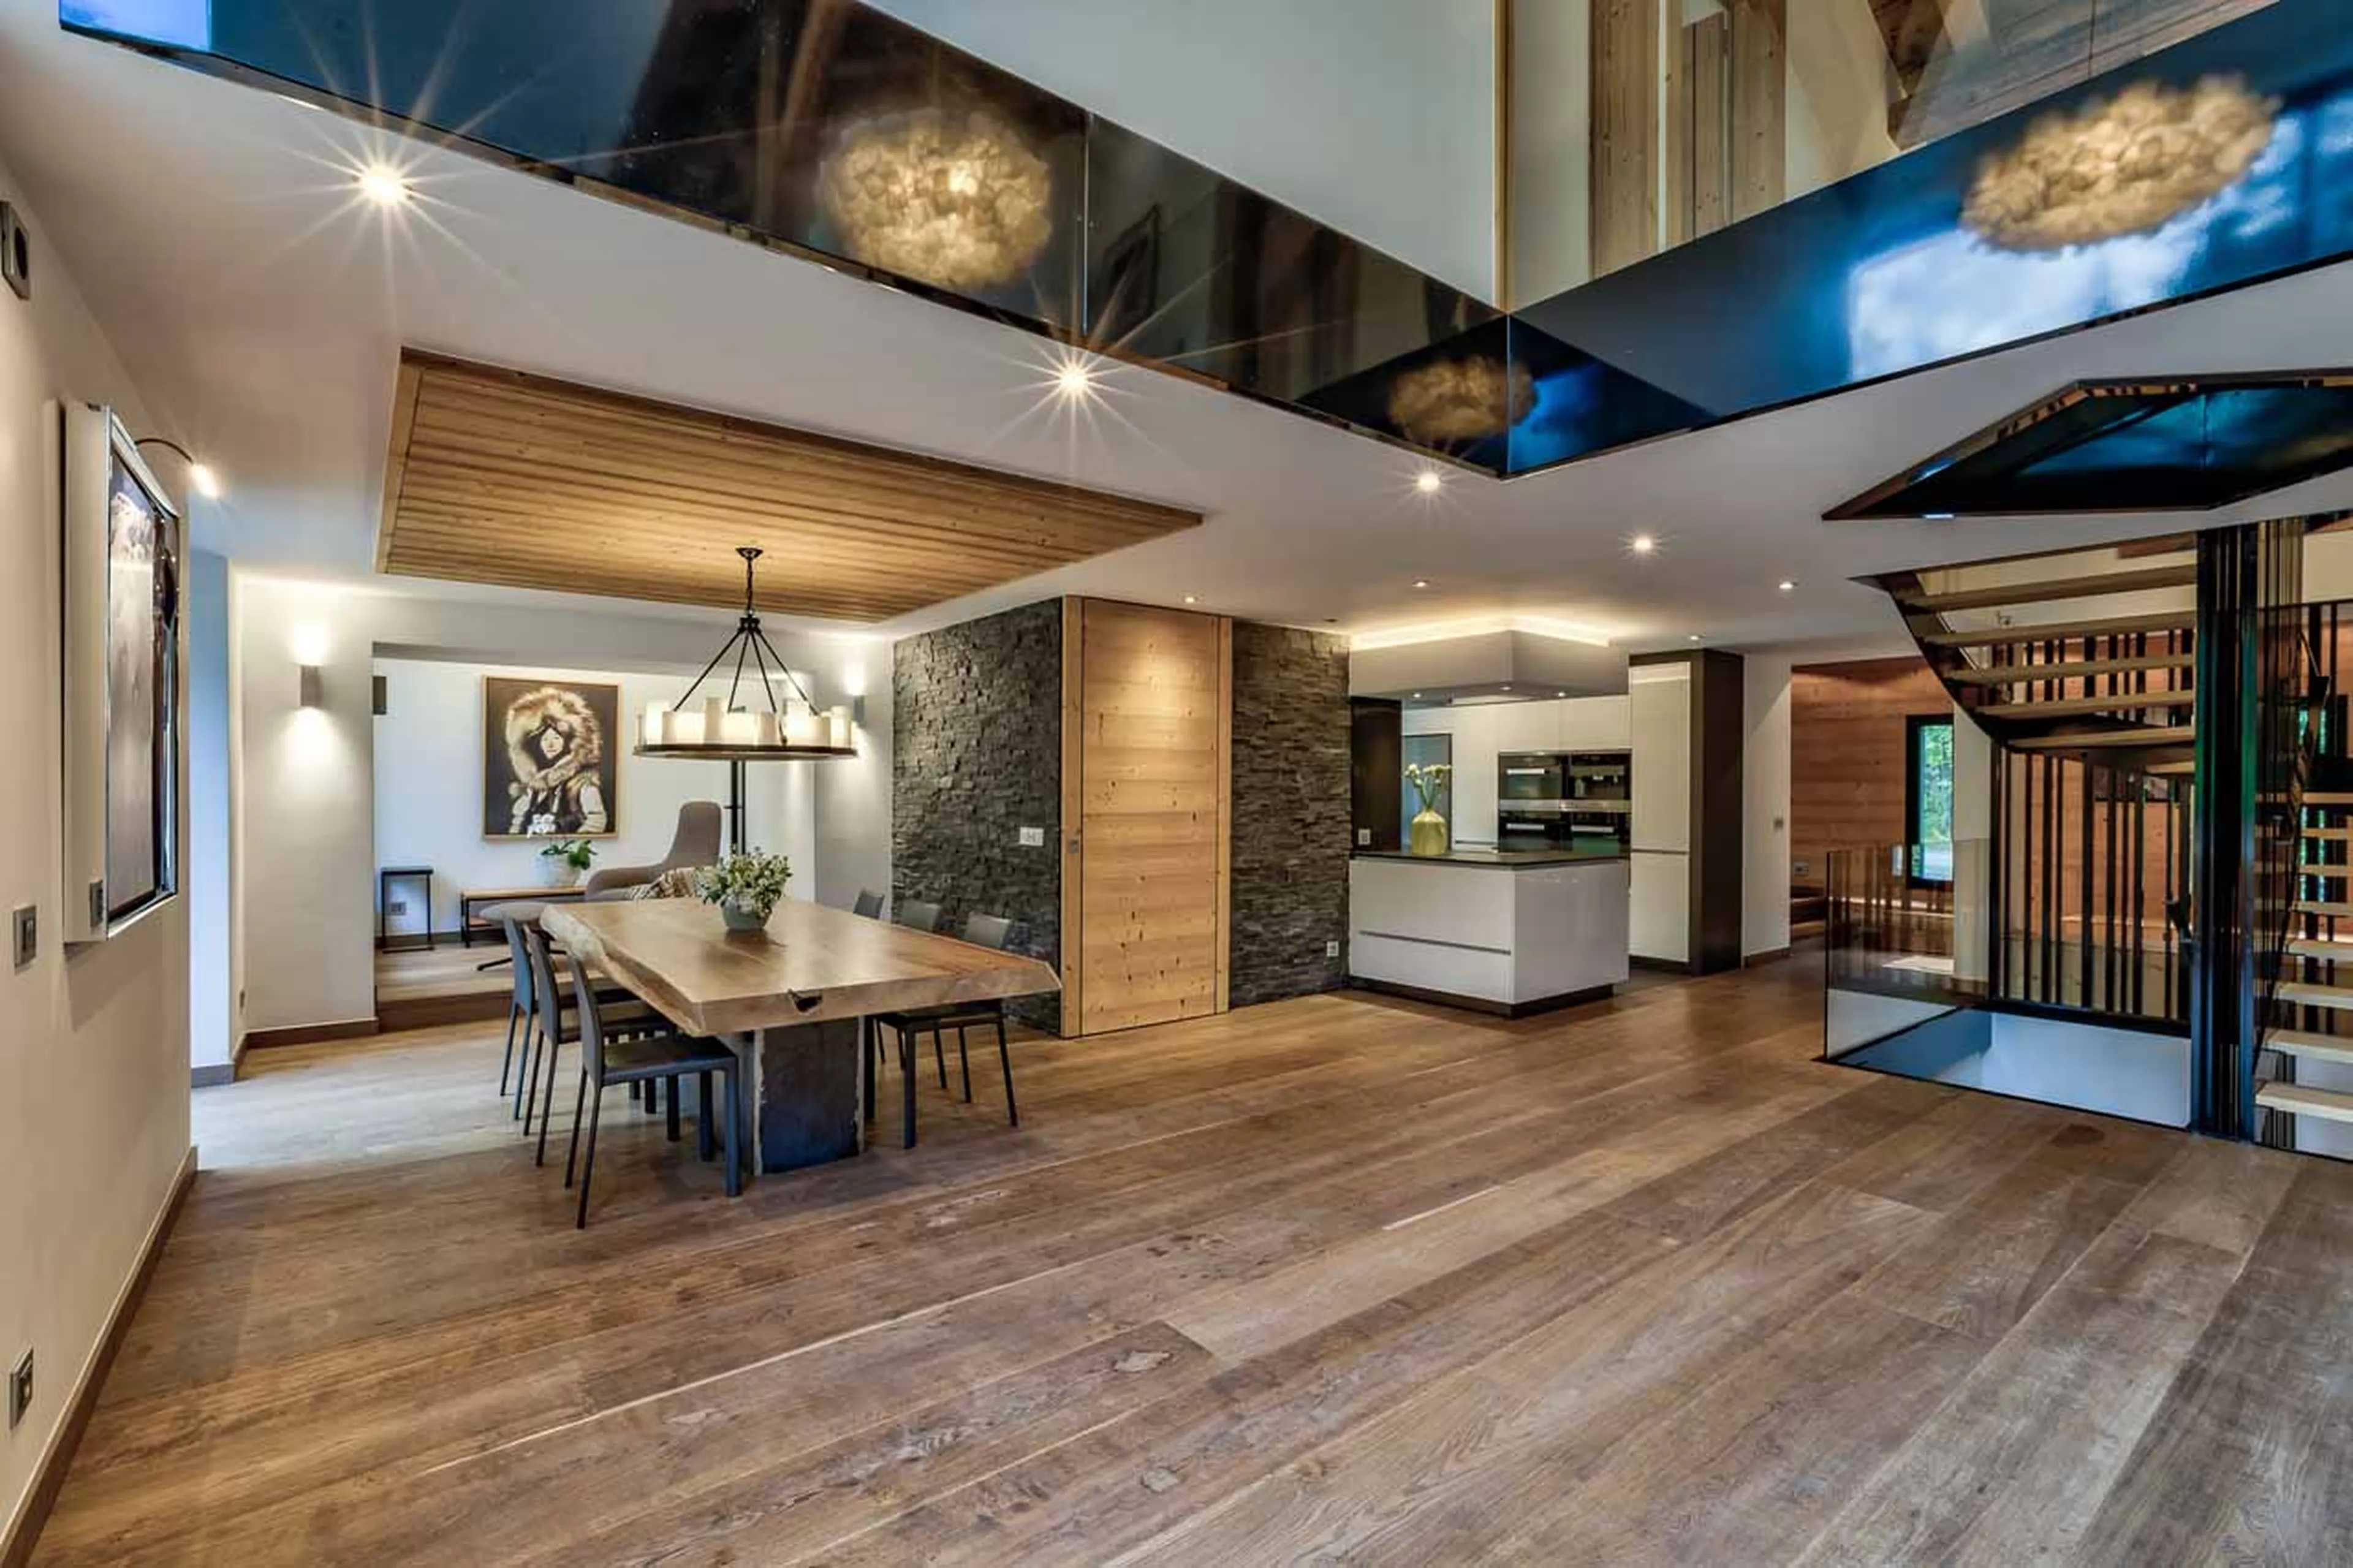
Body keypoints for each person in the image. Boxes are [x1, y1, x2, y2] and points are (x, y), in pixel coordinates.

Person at [503, 686, 610, 835]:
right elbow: (517, 824)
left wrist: (575, 848)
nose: (551, 744)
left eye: (556, 738)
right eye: (546, 739)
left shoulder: (580, 783)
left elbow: (596, 821)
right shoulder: (534, 788)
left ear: (568, 741)